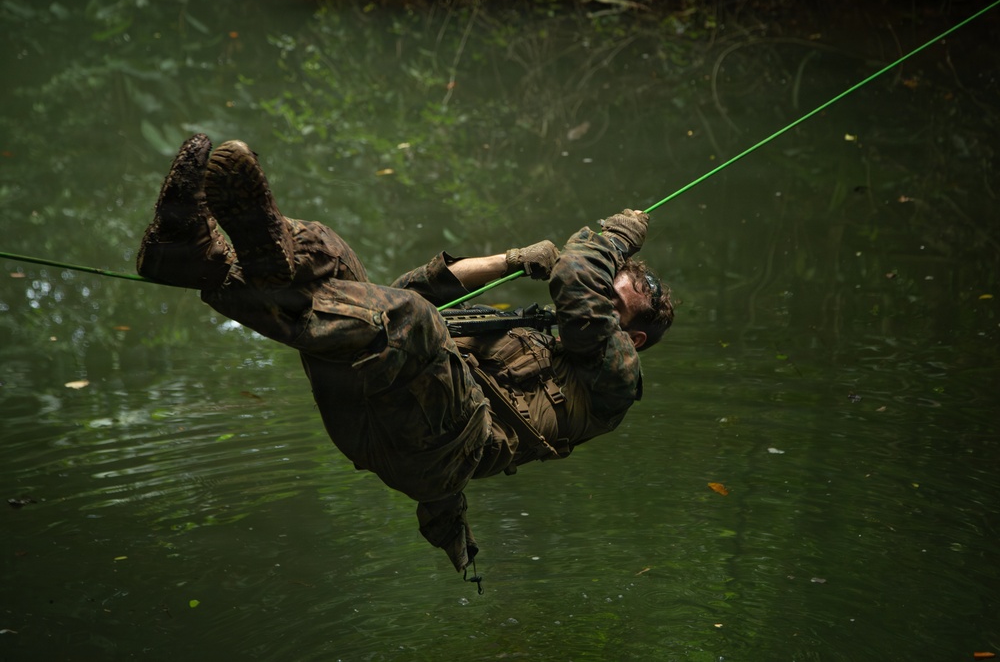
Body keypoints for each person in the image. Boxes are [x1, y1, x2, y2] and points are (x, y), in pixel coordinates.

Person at [137, 134, 674, 575]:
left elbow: (576, 272)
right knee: (327, 250)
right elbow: (403, 292)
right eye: (603, 291)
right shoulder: (528, 328)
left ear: (636, 337)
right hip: (374, 403)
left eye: (612, 299)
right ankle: (192, 255)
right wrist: (511, 261)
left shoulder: (616, 382)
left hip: (439, 454)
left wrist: (617, 235)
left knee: (409, 323)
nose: (594, 300)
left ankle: (206, 263)